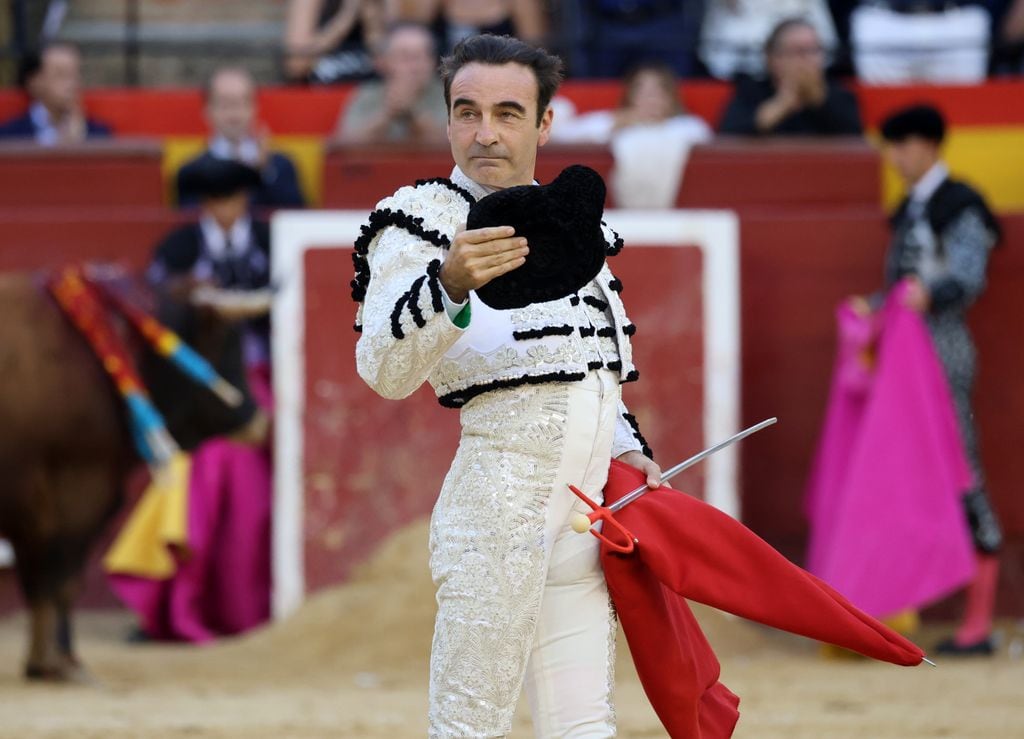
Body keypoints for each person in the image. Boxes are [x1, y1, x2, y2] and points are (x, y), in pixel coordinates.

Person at [352, 33, 662, 735]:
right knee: (470, 723)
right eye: (466, 112)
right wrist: (449, 283)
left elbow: (592, 359)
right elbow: (383, 369)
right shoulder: (421, 221)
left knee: (584, 724)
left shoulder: (573, 224)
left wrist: (627, 445)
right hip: (494, 514)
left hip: (583, 513)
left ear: (545, 122)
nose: (484, 133)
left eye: (508, 113)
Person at [852, 104, 1003, 656]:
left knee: (959, 470)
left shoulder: (958, 205)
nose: (894, 156)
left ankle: (980, 621)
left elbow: (968, 277)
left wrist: (928, 296)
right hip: (902, 356)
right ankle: (901, 605)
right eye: (890, 146)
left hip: (941, 353)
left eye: (902, 144)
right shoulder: (912, 207)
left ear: (930, 145)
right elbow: (899, 287)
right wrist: (871, 307)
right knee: (908, 475)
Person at [107, 156, 274, 644]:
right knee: (190, 482)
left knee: (236, 486)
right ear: (204, 202)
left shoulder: (270, 243)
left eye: (235, 198)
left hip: (261, 386)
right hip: (193, 394)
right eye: (217, 200)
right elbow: (156, 323)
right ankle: (170, 609)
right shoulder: (179, 250)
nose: (226, 209)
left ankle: (235, 609)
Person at [550, 61, 712, 207]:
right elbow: (563, 135)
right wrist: (615, 125)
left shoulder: (689, 126)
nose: (650, 97)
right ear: (630, 96)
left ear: (671, 97)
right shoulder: (609, 122)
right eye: (641, 89)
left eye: (658, 90)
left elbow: (704, 137)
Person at [177, 66, 305, 210]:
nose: (234, 112)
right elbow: (193, 225)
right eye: (224, 104)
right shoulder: (191, 172)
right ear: (207, 110)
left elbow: (296, 221)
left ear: (255, 107)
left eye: (242, 102)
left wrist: (263, 173)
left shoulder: (280, 166)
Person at [718, 17, 863, 136]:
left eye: (814, 51)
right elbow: (727, 138)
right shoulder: (750, 92)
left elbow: (857, 144)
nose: (807, 60)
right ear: (772, 58)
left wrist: (820, 101)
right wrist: (782, 104)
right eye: (798, 51)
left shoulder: (840, 95)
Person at [333, 22, 448, 144]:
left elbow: (454, 146)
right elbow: (344, 144)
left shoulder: (448, 95)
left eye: (422, 56)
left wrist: (412, 115)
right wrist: (387, 115)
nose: (415, 66)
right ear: (384, 63)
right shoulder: (367, 94)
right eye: (405, 57)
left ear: (433, 62)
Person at [0, 43, 111, 144]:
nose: (72, 84)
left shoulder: (99, 134)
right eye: (61, 75)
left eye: (76, 75)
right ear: (34, 81)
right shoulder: (9, 136)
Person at [701, 0, 839, 80]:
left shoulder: (835, 97)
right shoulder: (746, 96)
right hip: (747, 76)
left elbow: (826, 38)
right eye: (790, 52)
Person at [283, 0, 388, 84]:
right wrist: (347, 17)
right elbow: (297, 65)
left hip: (368, 92)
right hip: (323, 93)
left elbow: (385, 61)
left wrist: (371, 21)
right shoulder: (309, 3)